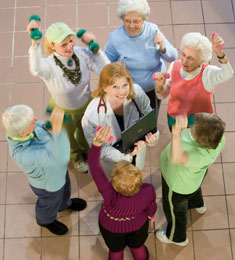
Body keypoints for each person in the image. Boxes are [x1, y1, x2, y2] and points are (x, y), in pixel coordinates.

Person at [27, 20, 110, 173]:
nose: (70, 47)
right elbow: (35, 68)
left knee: (86, 129)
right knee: (68, 138)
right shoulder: (49, 66)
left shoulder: (81, 53)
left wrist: (96, 50)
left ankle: (87, 149)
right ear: (52, 45)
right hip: (63, 110)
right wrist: (35, 43)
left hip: (86, 103)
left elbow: (105, 69)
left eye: (71, 41)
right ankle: (76, 157)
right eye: (63, 45)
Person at [1, 105, 87, 235]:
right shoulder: (23, 154)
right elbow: (60, 157)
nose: (36, 119)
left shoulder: (28, 131)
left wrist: (51, 122)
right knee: (49, 203)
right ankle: (45, 220)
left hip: (59, 173)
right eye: (31, 121)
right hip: (48, 185)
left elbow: (41, 126)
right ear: (22, 133)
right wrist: (59, 130)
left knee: (64, 191)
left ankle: (64, 204)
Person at [88, 126, 157, 260]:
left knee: (115, 251)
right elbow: (151, 209)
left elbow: (93, 166)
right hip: (138, 225)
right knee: (138, 247)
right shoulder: (147, 190)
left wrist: (97, 143)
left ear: (114, 182)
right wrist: (150, 215)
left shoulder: (108, 191)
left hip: (111, 226)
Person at [156, 113, 225, 246]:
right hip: (192, 180)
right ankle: (197, 205)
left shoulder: (198, 156)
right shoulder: (219, 138)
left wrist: (176, 133)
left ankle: (177, 237)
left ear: (197, 139)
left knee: (176, 212)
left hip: (177, 187)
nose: (191, 124)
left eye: (193, 126)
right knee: (194, 191)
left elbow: (176, 157)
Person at [104, 0, 178, 120]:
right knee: (131, 116)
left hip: (154, 87)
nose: (131, 25)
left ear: (144, 19)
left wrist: (163, 47)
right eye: (127, 21)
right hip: (129, 89)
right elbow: (105, 62)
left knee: (150, 116)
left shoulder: (153, 31)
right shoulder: (116, 38)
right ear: (122, 19)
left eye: (136, 21)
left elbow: (173, 57)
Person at [82, 62, 159, 176]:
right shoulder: (92, 116)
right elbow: (100, 149)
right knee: (116, 188)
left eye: (125, 85)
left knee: (134, 183)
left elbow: (149, 121)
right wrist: (128, 155)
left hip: (136, 158)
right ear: (105, 87)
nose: (122, 92)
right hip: (113, 164)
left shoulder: (137, 93)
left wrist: (152, 138)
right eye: (115, 87)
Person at [154, 32, 234, 127]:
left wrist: (220, 54)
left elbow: (228, 74)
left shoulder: (207, 73)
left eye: (190, 58)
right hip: (175, 118)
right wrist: (159, 86)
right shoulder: (174, 66)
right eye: (183, 54)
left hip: (199, 124)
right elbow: (161, 96)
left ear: (201, 61)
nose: (184, 61)